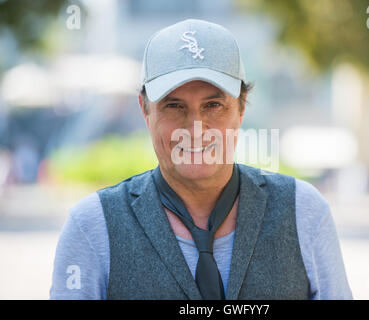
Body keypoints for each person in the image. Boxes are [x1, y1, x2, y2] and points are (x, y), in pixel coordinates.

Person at [50, 19, 352, 300]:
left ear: (241, 108)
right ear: (145, 110)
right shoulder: (93, 226)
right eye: (174, 105)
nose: (195, 128)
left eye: (213, 105)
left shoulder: (304, 212)